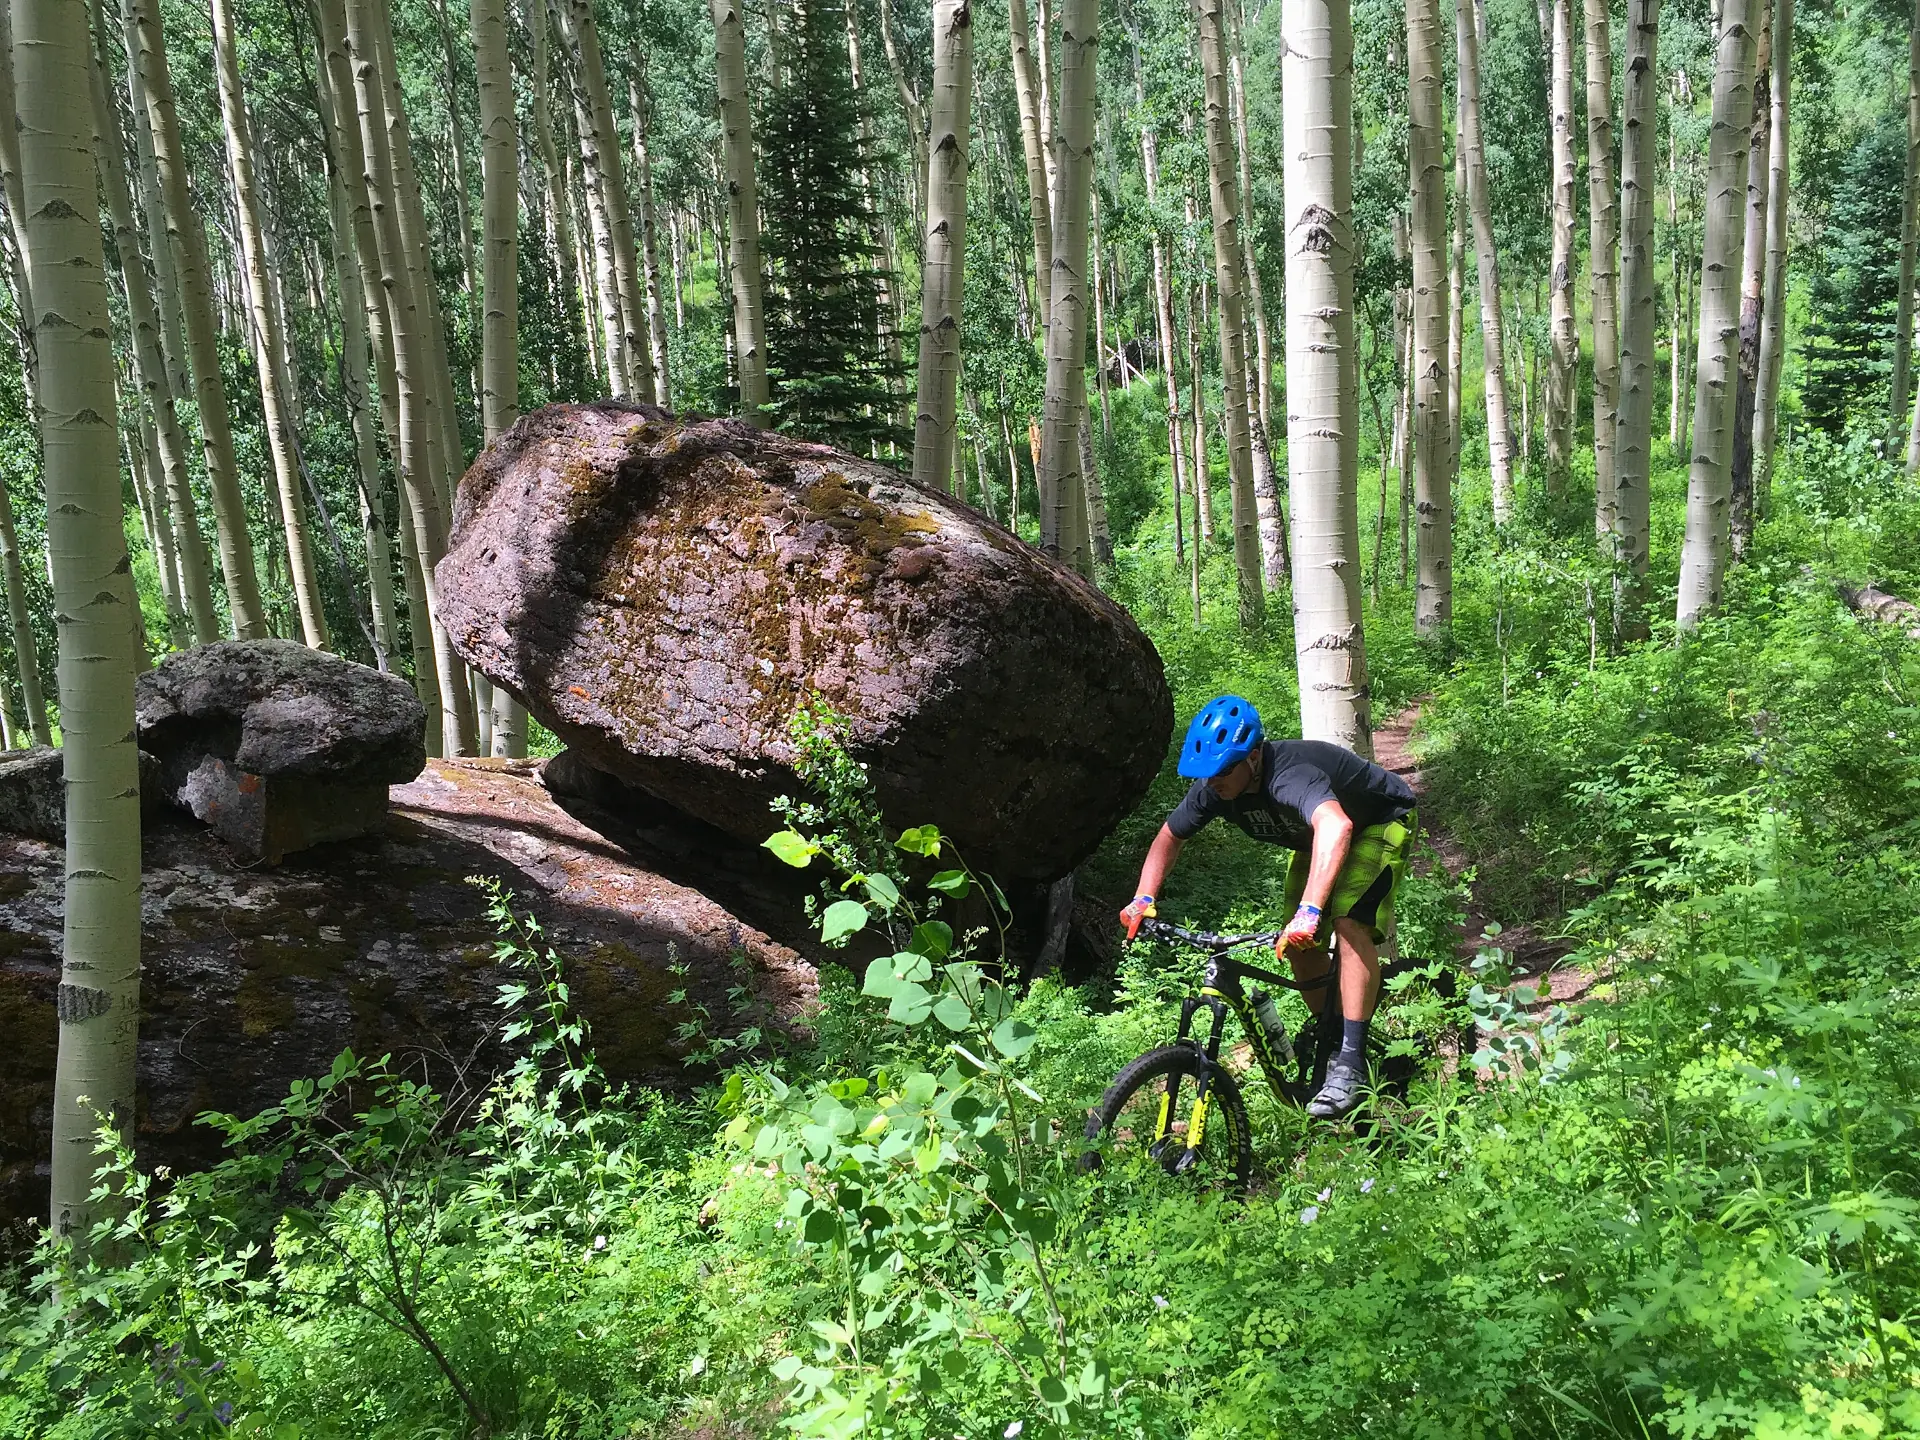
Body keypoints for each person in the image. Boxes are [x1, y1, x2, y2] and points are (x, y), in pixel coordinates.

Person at [1119, 695, 1417, 1120]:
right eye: (1206, 774)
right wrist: (1143, 897)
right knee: (1296, 944)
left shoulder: (1291, 775)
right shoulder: (1214, 788)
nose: (1212, 782)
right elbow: (1170, 837)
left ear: (1254, 757)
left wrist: (1311, 910)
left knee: (1349, 920)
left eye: (1222, 771)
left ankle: (1351, 1060)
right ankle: (1332, 1037)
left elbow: (1337, 825)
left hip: (1379, 820)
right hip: (1320, 840)